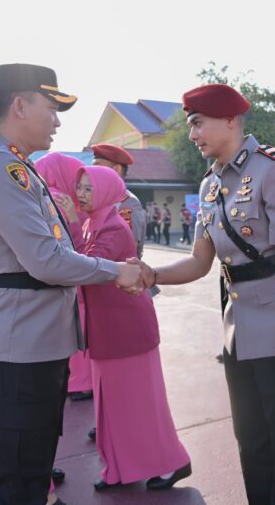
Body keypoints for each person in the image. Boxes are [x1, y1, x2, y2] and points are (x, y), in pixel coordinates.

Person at [0, 63, 141, 505]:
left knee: (33, 470)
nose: (58, 121)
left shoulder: (18, 166)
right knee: (20, 481)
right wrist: (117, 270)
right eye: (52, 108)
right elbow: (45, 260)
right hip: (15, 348)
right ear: (20, 106)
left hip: (32, 343)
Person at [135, 83, 275, 504]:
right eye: (191, 126)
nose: (193, 134)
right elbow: (201, 262)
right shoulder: (209, 185)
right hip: (237, 332)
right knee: (251, 440)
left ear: (230, 120)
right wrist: (152, 274)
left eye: (198, 123)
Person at [57, 165, 191, 491]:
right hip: (108, 329)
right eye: (81, 188)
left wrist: (72, 221)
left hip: (127, 331)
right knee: (113, 408)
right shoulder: (94, 224)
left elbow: (87, 268)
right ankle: (119, 468)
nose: (82, 195)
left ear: (105, 192)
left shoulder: (113, 228)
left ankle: (173, 461)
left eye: (90, 189)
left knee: (140, 405)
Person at [34, 152, 93, 400]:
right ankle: (80, 382)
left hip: (47, 275)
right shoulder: (64, 201)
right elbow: (78, 245)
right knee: (78, 328)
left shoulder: (40, 195)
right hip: (73, 273)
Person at [91, 144, 146, 258]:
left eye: (97, 166)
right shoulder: (99, 200)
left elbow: (129, 246)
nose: (92, 171)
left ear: (116, 170)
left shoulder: (128, 202)